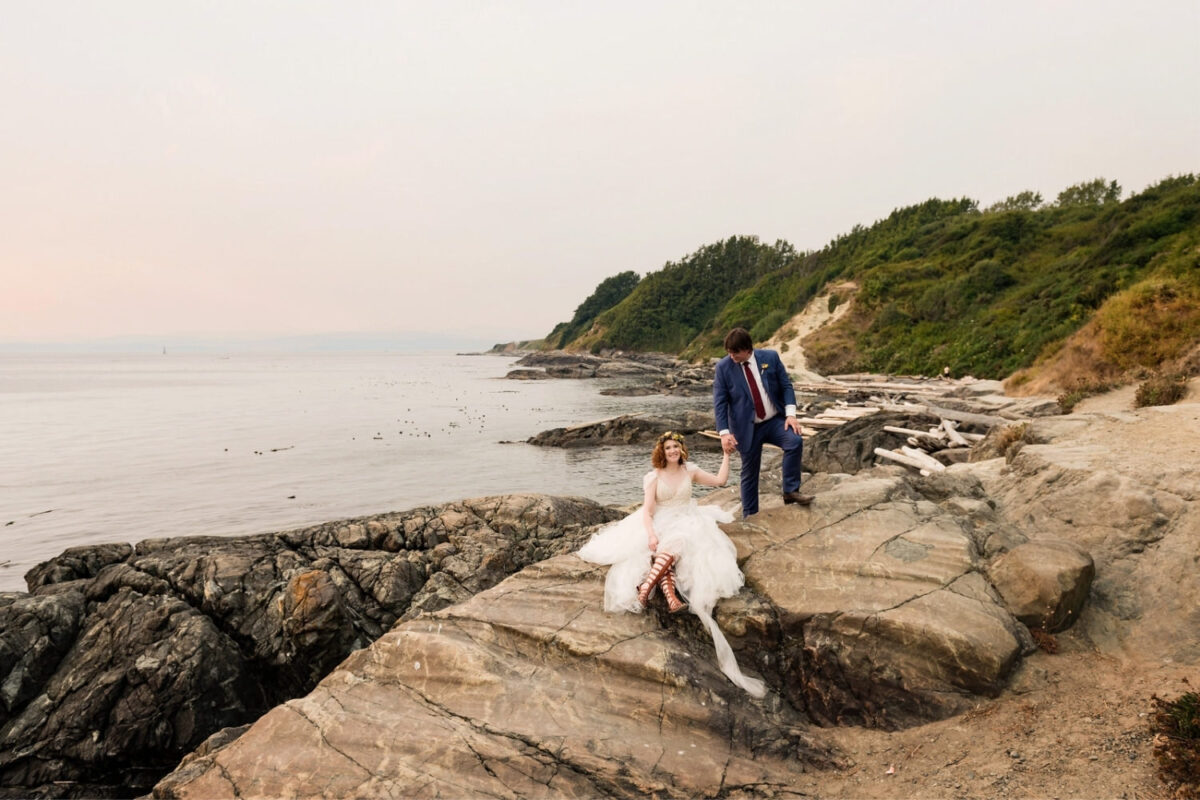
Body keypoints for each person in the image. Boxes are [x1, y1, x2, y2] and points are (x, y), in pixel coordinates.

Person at [578, 431, 766, 697]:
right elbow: (647, 510)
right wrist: (652, 533)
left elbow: (721, 481)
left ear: (681, 449)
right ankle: (664, 591)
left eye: (676, 446)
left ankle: (646, 587)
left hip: (689, 518)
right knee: (664, 545)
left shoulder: (691, 470)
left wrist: (726, 455)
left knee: (678, 544)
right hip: (661, 520)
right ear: (662, 451)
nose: (673, 451)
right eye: (668, 448)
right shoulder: (653, 476)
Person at [713, 327, 811, 517]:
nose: (731, 356)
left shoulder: (770, 358)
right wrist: (724, 433)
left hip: (774, 421)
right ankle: (750, 516)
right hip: (744, 428)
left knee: (794, 442)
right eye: (729, 352)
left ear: (747, 349)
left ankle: (790, 492)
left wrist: (791, 415)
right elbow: (719, 402)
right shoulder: (723, 368)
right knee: (749, 473)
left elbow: (786, 386)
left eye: (735, 352)